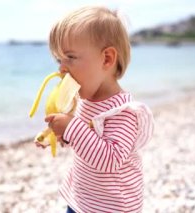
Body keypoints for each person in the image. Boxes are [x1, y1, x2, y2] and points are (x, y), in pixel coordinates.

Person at [37, 6, 154, 212]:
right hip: (81, 200)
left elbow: (110, 159)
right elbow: (87, 144)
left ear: (107, 59)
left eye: (70, 57)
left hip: (113, 207)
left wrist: (72, 127)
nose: (61, 68)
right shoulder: (86, 101)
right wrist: (60, 135)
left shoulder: (124, 113)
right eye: (59, 59)